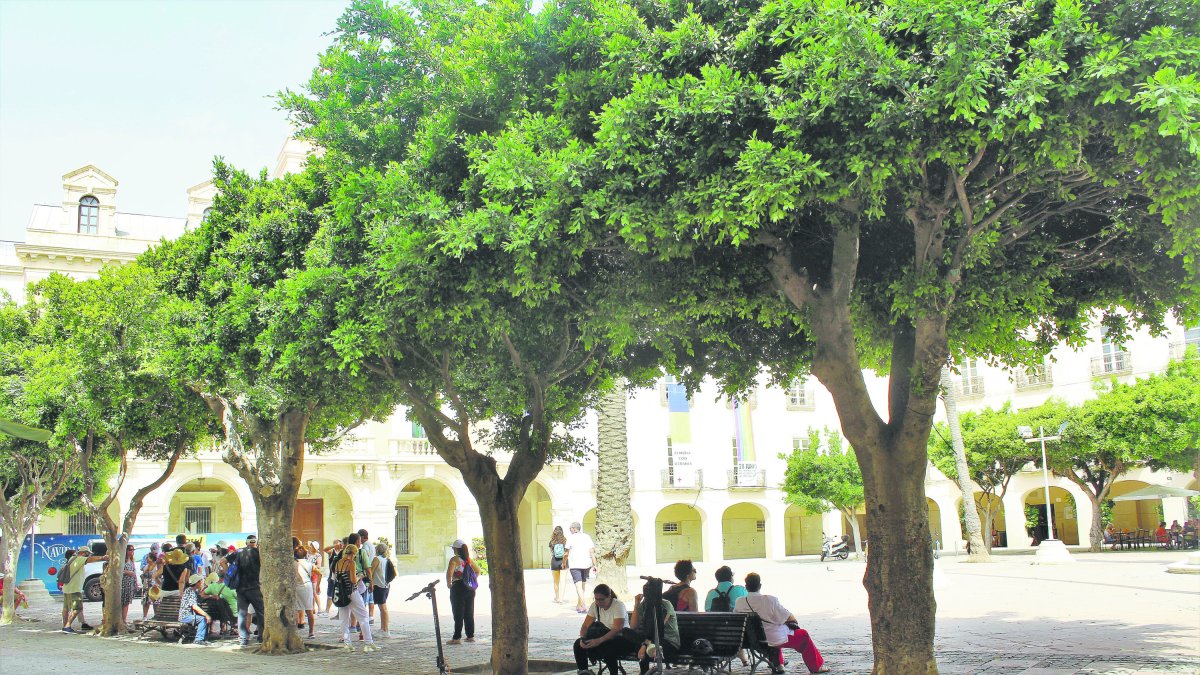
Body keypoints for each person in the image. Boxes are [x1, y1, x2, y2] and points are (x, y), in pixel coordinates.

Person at [734, 573, 828, 674]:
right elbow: (788, 617)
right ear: (760, 585)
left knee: (773, 630)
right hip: (773, 639)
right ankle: (816, 667)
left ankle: (779, 664)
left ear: (746, 587)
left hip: (752, 640)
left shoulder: (739, 602)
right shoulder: (770, 600)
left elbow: (736, 618)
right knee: (802, 634)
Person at [572, 584, 633, 675]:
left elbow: (617, 629)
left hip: (620, 637)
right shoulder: (594, 606)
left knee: (608, 648)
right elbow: (585, 626)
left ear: (609, 597)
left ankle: (613, 673)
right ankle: (583, 671)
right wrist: (583, 639)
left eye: (602, 599)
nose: (599, 602)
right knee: (578, 645)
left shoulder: (618, 605)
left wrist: (598, 641)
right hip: (602, 636)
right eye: (596, 599)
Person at [333, 543, 378, 651]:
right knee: (363, 616)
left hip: (341, 593)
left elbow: (336, 577)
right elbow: (353, 580)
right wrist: (360, 576)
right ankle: (368, 643)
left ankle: (347, 644)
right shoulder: (351, 563)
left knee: (344, 619)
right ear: (354, 553)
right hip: (352, 592)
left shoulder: (338, 563)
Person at [629, 583, 680, 674]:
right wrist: (636, 605)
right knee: (627, 632)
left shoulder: (665, 605)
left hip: (667, 641)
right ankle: (644, 671)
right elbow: (633, 626)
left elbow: (657, 629)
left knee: (645, 646)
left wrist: (644, 645)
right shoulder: (644, 605)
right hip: (649, 639)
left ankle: (646, 672)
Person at [445, 538, 481, 644]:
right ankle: (470, 636)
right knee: (469, 612)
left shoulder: (454, 560)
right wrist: (471, 580)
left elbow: (449, 573)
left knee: (458, 612)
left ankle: (456, 638)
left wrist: (449, 584)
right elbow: (478, 570)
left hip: (458, 587)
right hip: (469, 588)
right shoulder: (468, 560)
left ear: (456, 549)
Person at [61, 548, 101, 633]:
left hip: (67, 588)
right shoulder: (79, 558)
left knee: (66, 608)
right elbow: (91, 559)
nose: (88, 555)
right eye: (87, 554)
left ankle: (67, 625)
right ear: (83, 553)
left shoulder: (71, 559)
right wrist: (103, 557)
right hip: (74, 588)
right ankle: (67, 626)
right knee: (77, 608)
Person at [235, 534, 264, 647]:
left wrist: (231, 575)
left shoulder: (238, 552)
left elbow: (222, 561)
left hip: (241, 588)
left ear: (246, 542)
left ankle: (243, 638)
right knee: (261, 612)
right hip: (254, 587)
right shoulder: (259, 553)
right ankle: (261, 636)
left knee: (242, 614)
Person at [565, 521, 597, 613]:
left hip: (575, 565)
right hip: (586, 564)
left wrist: (564, 562)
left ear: (574, 529)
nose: (570, 530)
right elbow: (592, 551)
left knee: (578, 586)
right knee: (582, 585)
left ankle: (583, 605)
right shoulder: (587, 537)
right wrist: (595, 564)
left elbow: (566, 552)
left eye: (570, 529)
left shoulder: (571, 538)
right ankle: (579, 605)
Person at [178, 573, 211, 646]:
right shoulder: (192, 592)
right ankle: (198, 639)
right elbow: (194, 606)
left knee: (203, 618)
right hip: (186, 616)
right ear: (197, 583)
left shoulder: (189, 590)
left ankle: (203, 638)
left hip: (184, 615)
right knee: (203, 619)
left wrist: (210, 596)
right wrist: (206, 615)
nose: (202, 583)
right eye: (201, 581)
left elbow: (201, 597)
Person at [200, 572, 237, 636]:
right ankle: (233, 628)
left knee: (221, 608)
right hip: (230, 613)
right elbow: (238, 597)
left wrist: (210, 596)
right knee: (236, 608)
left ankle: (223, 629)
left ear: (219, 577)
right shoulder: (231, 587)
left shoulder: (212, 586)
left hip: (215, 612)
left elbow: (201, 594)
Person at [370, 542, 392, 638]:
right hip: (386, 585)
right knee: (382, 608)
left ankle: (385, 630)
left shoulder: (376, 559)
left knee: (383, 608)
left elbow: (370, 572)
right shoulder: (386, 559)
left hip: (378, 585)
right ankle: (383, 628)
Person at [293, 543, 315, 638]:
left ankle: (295, 633)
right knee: (309, 610)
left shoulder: (292, 563)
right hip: (307, 586)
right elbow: (316, 571)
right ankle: (311, 632)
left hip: (296, 586)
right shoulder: (309, 564)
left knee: (296, 610)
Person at [323, 539, 345, 615]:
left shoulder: (343, 552)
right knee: (329, 593)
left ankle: (339, 613)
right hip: (332, 575)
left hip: (340, 575)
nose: (336, 544)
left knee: (340, 594)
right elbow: (325, 549)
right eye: (334, 543)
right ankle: (327, 610)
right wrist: (333, 546)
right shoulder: (332, 552)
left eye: (337, 543)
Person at [140, 542, 161, 619]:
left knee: (156, 602)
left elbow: (159, 575)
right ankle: (145, 616)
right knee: (146, 601)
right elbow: (144, 571)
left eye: (148, 558)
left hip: (155, 585)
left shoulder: (157, 566)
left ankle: (157, 616)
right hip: (147, 585)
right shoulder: (146, 566)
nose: (146, 559)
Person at [120, 544, 139, 624]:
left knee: (126, 602)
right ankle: (121, 620)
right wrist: (127, 572)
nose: (132, 552)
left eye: (133, 550)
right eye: (130, 550)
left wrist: (136, 583)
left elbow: (134, 572)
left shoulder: (131, 560)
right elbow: (118, 571)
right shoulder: (122, 560)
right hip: (123, 583)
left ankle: (124, 619)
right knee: (122, 602)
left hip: (130, 584)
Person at [549, 525, 568, 603]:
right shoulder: (565, 540)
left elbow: (551, 554)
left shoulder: (552, 541)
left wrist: (551, 564)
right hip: (563, 562)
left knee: (556, 581)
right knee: (563, 581)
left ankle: (557, 597)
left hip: (554, 561)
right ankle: (561, 599)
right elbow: (567, 552)